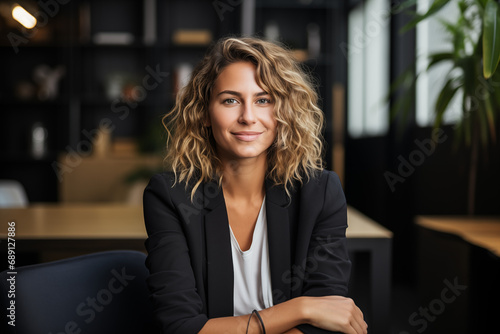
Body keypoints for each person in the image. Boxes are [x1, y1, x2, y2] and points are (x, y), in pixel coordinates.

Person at [143, 36, 368, 334]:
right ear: (205, 113)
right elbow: (181, 327)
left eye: (263, 100)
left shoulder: (320, 193)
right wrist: (301, 308)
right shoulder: (170, 196)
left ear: (283, 112)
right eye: (230, 100)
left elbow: (329, 319)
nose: (248, 117)